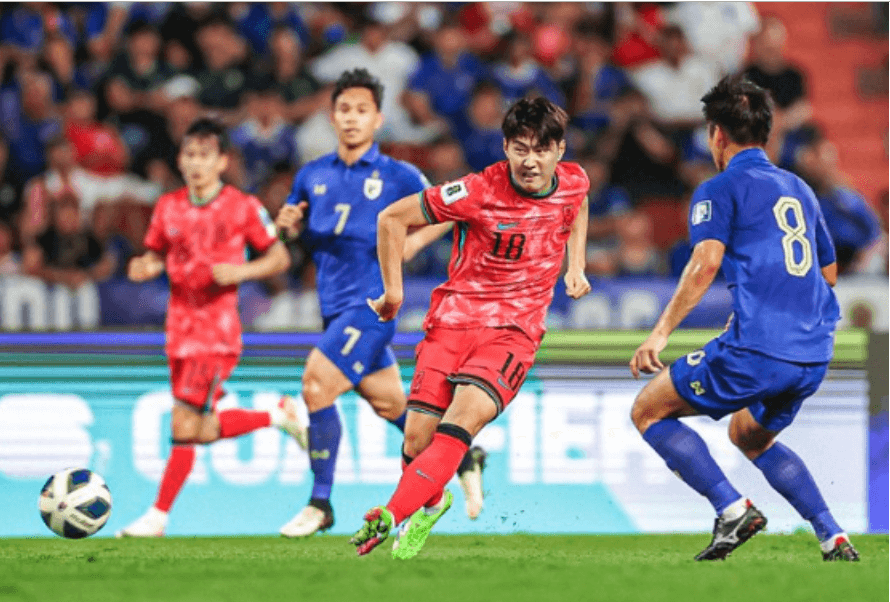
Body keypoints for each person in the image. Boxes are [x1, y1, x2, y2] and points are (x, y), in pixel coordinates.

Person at [628, 76, 860, 562]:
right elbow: (829, 273)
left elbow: (705, 262)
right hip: (814, 352)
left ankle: (732, 509)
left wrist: (660, 333)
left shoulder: (719, 188)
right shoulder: (798, 188)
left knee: (648, 410)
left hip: (760, 348)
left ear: (716, 134)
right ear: (766, 132)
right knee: (749, 435)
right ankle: (832, 535)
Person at [350, 96, 592, 559]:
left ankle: (391, 514)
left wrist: (574, 264)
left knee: (460, 421)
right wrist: (393, 293)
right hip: (453, 322)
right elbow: (391, 219)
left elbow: (577, 204)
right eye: (520, 149)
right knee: (416, 440)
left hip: (514, 331)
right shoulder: (478, 190)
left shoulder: (575, 180)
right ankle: (432, 503)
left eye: (541, 150)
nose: (530, 161)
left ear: (559, 150)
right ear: (505, 147)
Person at [274, 68, 488, 539]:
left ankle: (320, 504)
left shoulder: (398, 175)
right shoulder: (311, 175)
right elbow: (294, 235)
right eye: (344, 109)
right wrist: (287, 228)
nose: (352, 118)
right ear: (332, 117)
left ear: (378, 119)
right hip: (333, 307)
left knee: (316, 386)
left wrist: (413, 242)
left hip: (372, 307)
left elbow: (452, 209)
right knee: (393, 406)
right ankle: (465, 456)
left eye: (362, 110)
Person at [116, 118, 307, 537]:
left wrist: (242, 271)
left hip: (215, 333)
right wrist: (145, 266)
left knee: (183, 425)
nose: (196, 163)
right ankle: (278, 415)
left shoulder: (242, 206)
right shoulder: (168, 207)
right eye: (190, 154)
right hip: (177, 332)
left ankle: (158, 516)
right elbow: (155, 255)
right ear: (180, 161)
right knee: (199, 429)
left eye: (205, 155)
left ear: (222, 161)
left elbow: (279, 258)